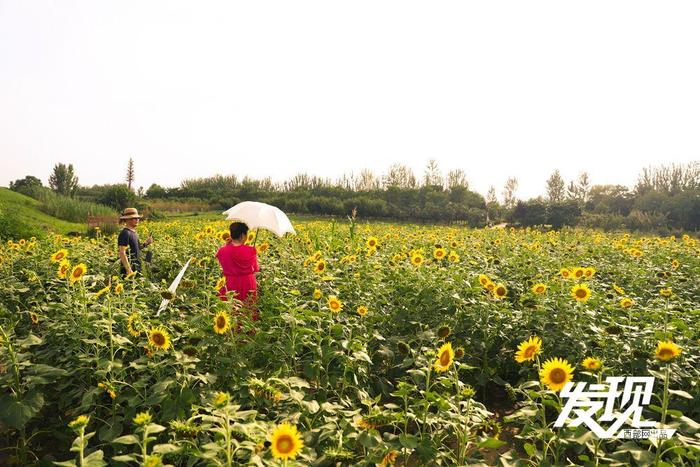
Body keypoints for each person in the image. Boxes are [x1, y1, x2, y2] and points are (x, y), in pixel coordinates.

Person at [215, 222, 260, 320]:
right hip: (247, 282)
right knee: (247, 309)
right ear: (243, 235)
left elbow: (222, 261)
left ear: (231, 234)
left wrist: (227, 245)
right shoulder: (251, 250)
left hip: (229, 283)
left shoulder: (222, 250)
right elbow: (256, 269)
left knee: (230, 311)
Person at [117, 207, 153, 277]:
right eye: (134, 218)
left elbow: (136, 248)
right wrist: (128, 269)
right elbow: (122, 252)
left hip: (136, 268)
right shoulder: (125, 233)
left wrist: (146, 243)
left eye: (138, 218)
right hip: (129, 270)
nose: (137, 220)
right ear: (127, 219)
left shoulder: (133, 233)